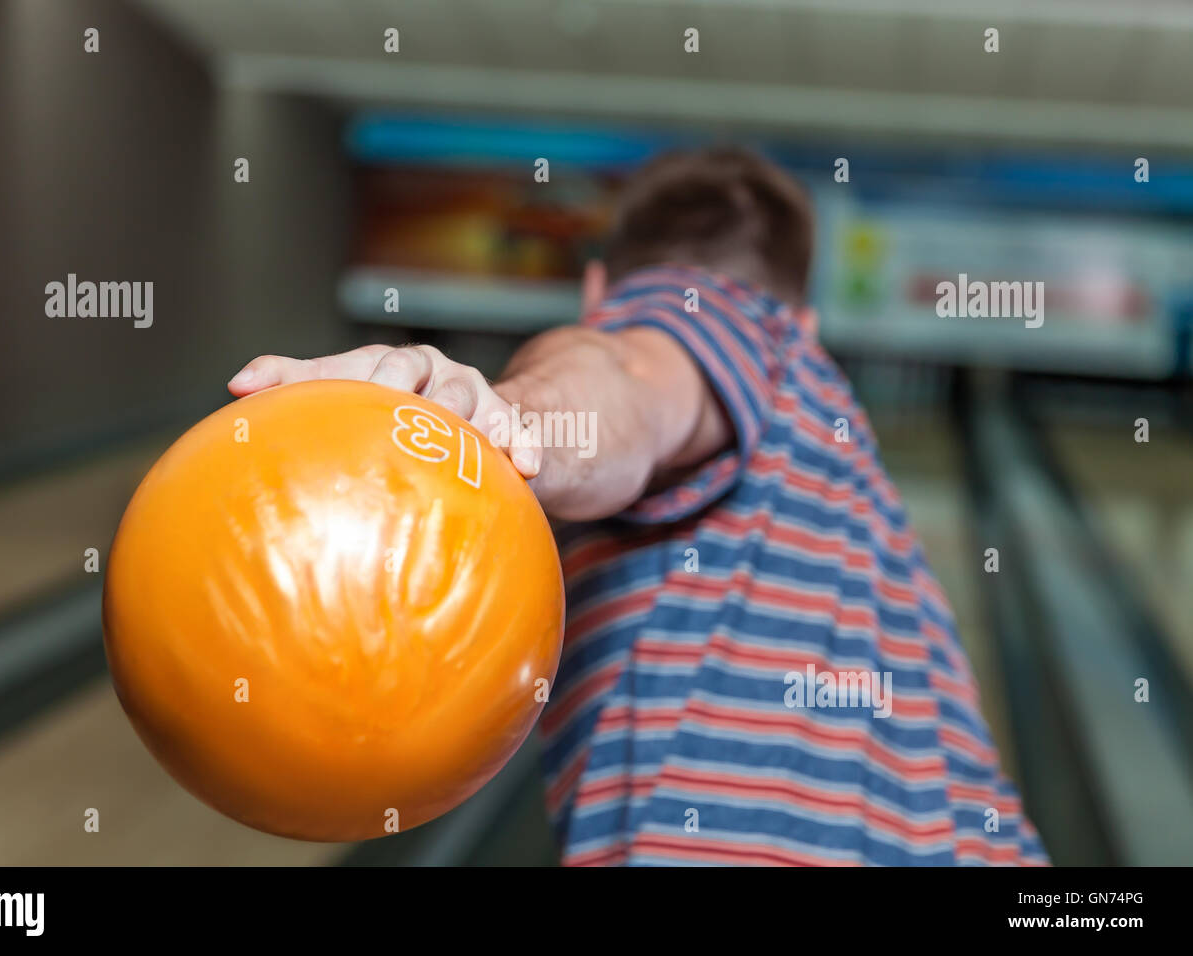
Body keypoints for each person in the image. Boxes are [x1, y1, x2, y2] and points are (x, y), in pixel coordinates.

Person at [227, 147, 1047, 866]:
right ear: (810, 320)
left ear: (596, 290)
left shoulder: (706, 317)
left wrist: (497, 424)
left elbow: (631, 383)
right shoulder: (832, 431)